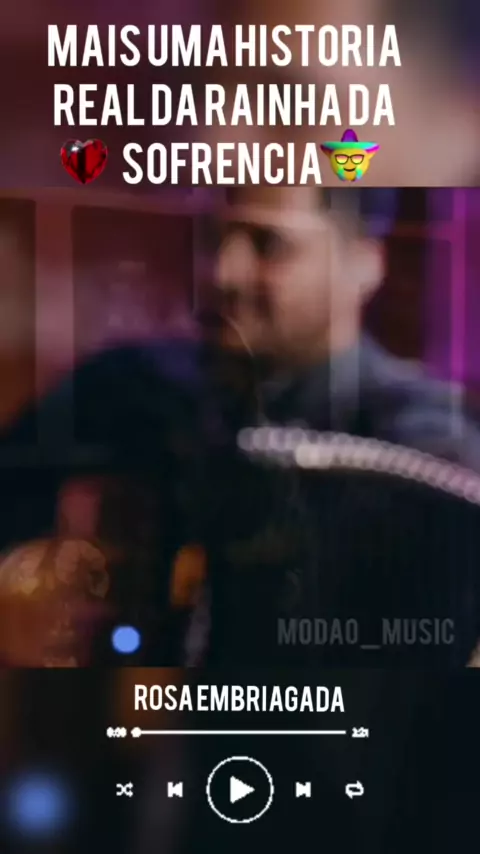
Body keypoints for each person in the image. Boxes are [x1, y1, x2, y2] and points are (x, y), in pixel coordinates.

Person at [1, 186, 480, 667]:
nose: (223, 273)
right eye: (212, 239)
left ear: (363, 264)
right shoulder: (131, 387)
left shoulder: (427, 441)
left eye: (269, 245)